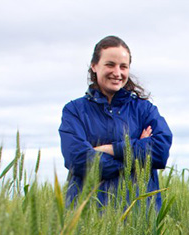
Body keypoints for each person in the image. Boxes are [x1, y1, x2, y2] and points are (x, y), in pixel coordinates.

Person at [59, 36, 172, 209]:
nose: (117, 73)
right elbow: (78, 160)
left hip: (139, 219)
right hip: (88, 217)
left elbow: (160, 151)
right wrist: (135, 158)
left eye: (123, 66)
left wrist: (108, 149)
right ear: (94, 66)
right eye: (110, 64)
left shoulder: (145, 110)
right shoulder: (74, 111)